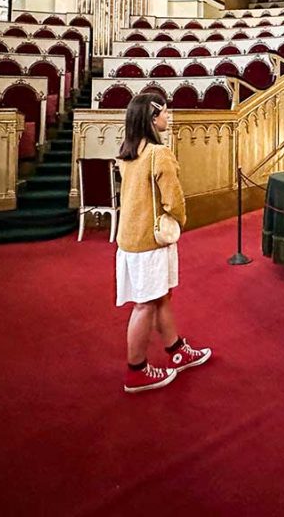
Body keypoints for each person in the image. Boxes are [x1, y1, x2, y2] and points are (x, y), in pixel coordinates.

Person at [115, 93, 211, 393]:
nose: (168, 117)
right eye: (165, 112)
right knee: (145, 305)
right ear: (152, 117)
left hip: (129, 238)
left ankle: (176, 350)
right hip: (150, 240)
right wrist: (180, 221)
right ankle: (136, 370)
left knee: (160, 297)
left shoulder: (128, 152)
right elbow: (174, 201)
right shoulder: (159, 154)